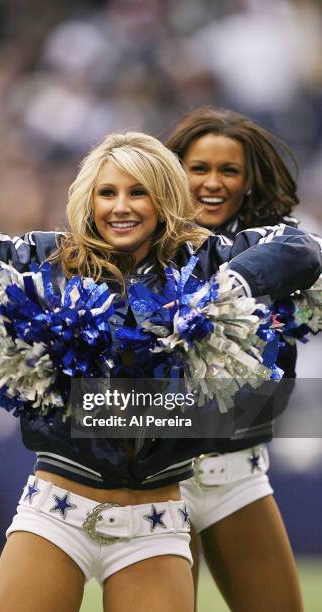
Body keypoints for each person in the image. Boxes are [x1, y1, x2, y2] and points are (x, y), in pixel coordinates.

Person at [0, 132, 321, 612]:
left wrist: (225, 290)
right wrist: (26, 297)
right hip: (56, 513)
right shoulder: (54, 258)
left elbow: (300, 249)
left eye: (138, 192)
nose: (121, 207)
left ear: (165, 198)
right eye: (107, 193)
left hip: (155, 523)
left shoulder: (205, 260)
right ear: (88, 199)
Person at [166, 106, 312, 612]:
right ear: (172, 172)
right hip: (159, 482)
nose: (213, 182)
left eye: (229, 170)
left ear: (249, 182)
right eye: (198, 168)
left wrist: (223, 289)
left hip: (238, 474)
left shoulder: (275, 246)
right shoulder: (138, 244)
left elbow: (305, 252)